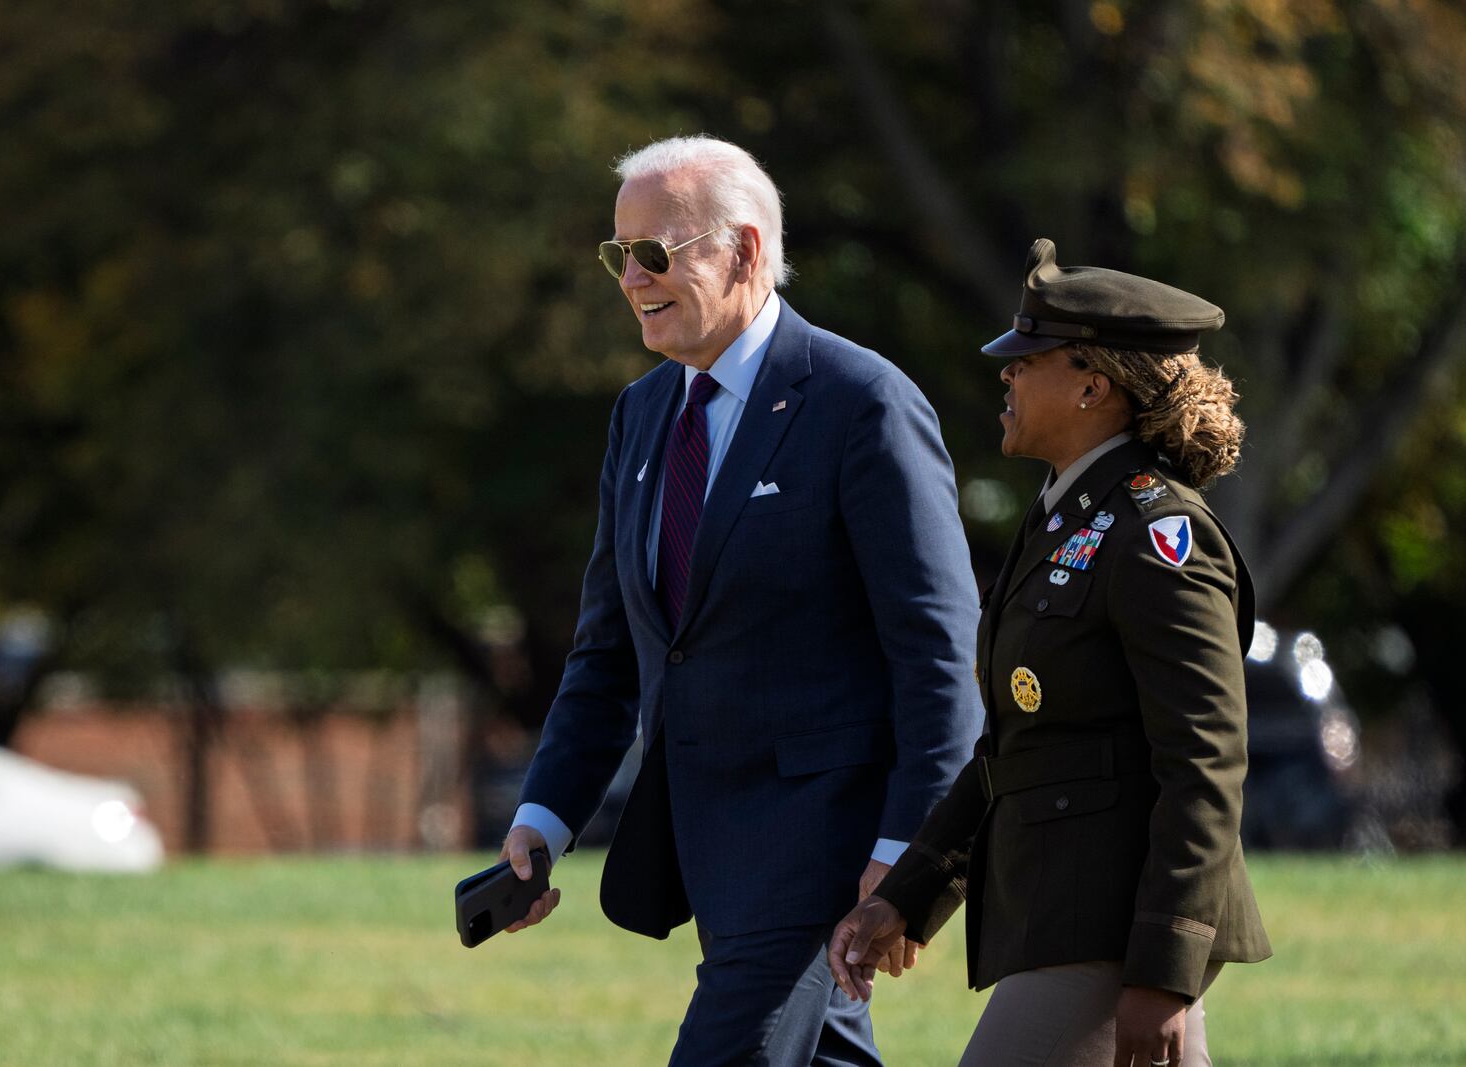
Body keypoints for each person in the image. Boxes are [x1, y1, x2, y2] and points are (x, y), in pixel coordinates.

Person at [498, 135, 983, 1066]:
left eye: (656, 252)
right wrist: (545, 815)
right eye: (618, 254)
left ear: (746, 251)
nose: (631, 277)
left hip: (822, 847)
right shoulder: (640, 415)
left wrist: (912, 855)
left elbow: (935, 650)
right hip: (704, 846)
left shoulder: (862, 401)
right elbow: (610, 650)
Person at [828, 238, 1272, 1067]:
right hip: (1064, 917)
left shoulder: (1154, 533)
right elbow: (1013, 750)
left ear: (1092, 384)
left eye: (1026, 360)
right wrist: (905, 896)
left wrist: (1166, 967)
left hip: (1113, 929)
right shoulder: (1067, 519)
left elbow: (1206, 761)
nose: (1006, 375)